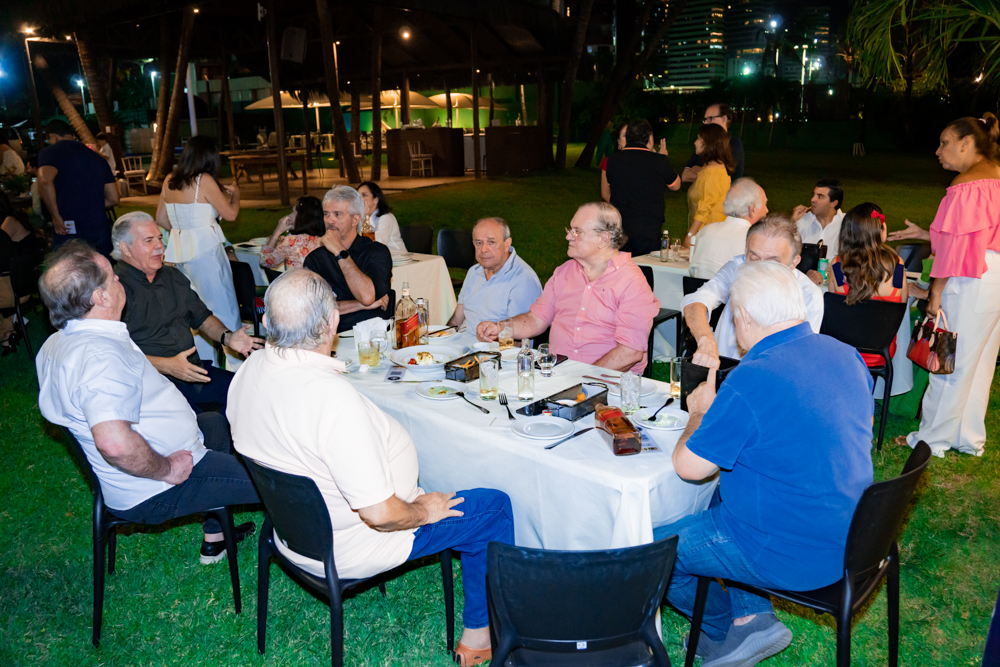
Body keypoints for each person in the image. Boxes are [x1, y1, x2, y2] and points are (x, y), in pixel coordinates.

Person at [228, 269, 515, 667]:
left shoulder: (249, 369)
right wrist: (423, 510)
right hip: (356, 543)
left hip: (293, 531)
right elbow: (380, 514)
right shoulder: (329, 399)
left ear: (267, 320)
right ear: (333, 321)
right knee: (494, 508)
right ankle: (481, 635)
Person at [655, 260, 873, 667]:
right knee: (724, 492)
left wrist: (700, 412)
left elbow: (689, 467)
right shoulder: (846, 354)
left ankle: (721, 630)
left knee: (653, 552)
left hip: (791, 554)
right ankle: (753, 618)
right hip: (856, 534)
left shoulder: (753, 376)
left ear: (743, 317)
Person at [35, 241, 259, 564]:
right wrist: (169, 469)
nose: (119, 280)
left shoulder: (59, 342)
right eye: (112, 277)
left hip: (156, 460)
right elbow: (114, 444)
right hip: (156, 487)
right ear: (100, 297)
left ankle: (216, 537)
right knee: (277, 481)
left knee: (214, 423)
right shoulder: (99, 357)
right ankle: (311, 547)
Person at [887, 113, 1000, 458]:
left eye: (944, 143)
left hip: (969, 276)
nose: (938, 151)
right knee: (979, 361)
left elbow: (956, 247)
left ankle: (930, 440)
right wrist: (927, 234)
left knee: (948, 358)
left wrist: (934, 293)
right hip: (993, 277)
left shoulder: (965, 184)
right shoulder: (995, 178)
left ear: (967, 143)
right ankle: (968, 437)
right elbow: (973, 234)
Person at [476, 202, 659, 374]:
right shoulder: (564, 272)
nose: (568, 236)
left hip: (608, 383)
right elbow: (536, 319)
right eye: (570, 230)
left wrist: (582, 378)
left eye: (577, 231)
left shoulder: (631, 281)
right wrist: (500, 328)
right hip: (558, 374)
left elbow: (630, 352)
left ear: (603, 238)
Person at [112, 212, 263, 413]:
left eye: (160, 238)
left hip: (195, 374)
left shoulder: (172, 276)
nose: (160, 246)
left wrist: (228, 337)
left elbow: (202, 317)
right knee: (209, 423)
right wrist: (167, 366)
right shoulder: (113, 289)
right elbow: (115, 353)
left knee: (253, 393)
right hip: (153, 387)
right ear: (125, 248)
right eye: (149, 240)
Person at [682, 214, 824, 367]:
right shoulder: (738, 267)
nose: (758, 269)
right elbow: (696, 301)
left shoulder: (808, 295)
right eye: (754, 258)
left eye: (772, 261)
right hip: (723, 368)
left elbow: (799, 356)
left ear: (793, 262)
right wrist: (705, 340)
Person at [155, 135, 241, 364]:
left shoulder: (169, 180)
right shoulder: (204, 180)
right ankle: (236, 365)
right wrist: (236, 196)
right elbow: (231, 214)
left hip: (178, 253)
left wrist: (184, 231)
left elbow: (161, 219)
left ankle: (205, 366)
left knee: (194, 311)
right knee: (224, 308)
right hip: (206, 252)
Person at [828, 202, 908, 368]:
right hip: (880, 354)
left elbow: (834, 312)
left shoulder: (837, 265)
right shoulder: (897, 265)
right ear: (880, 229)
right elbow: (901, 306)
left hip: (841, 352)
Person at [304, 185, 392, 333]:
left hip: (371, 334)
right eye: (326, 214)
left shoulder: (376, 252)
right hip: (331, 336)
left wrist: (340, 251)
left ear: (355, 219)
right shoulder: (315, 259)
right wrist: (359, 305)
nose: (330, 220)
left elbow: (366, 296)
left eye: (337, 214)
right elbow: (313, 310)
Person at [37, 119, 119, 258]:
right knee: (102, 266)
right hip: (99, 224)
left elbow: (45, 180)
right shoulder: (97, 157)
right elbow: (114, 198)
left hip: (68, 225)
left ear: (52, 136)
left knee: (70, 267)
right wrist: (90, 205)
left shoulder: (50, 152)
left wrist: (56, 216)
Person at [447, 217, 542, 333]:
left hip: (493, 344)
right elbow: (456, 321)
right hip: (462, 339)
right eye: (479, 243)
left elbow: (518, 338)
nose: (483, 249)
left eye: (491, 242)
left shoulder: (523, 279)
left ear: (507, 244)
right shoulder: (473, 272)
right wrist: (440, 337)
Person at [605, 119, 681, 256]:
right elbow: (675, 185)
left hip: (620, 228)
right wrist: (663, 158)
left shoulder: (613, 161)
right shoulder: (659, 161)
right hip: (649, 230)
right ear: (649, 138)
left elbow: (610, 188)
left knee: (621, 267)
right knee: (646, 267)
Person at [689, 177, 767, 279]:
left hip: (702, 288)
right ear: (752, 209)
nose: (766, 210)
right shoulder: (755, 239)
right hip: (733, 289)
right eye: (765, 204)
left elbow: (693, 271)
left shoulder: (705, 231)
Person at [0, 191, 40, 353]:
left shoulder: (7, 225)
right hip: (24, 280)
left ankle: (8, 329)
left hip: (21, 285)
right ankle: (10, 327)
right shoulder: (12, 218)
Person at [685, 124, 734, 249]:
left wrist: (690, 235)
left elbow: (704, 208)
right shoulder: (712, 169)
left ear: (709, 143)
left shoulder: (713, 173)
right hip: (707, 232)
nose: (695, 142)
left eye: (699, 139)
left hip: (709, 236)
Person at [792, 179, 845, 285]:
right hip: (803, 285)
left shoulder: (847, 224)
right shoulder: (801, 221)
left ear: (833, 203)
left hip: (836, 286)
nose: (813, 200)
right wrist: (792, 222)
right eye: (814, 195)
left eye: (820, 196)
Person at [682, 103, 745, 183]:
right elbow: (685, 176)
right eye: (705, 119)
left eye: (710, 119)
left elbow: (720, 176)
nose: (705, 123)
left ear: (724, 119)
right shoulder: (702, 144)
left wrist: (696, 169)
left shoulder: (734, 144)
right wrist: (708, 173)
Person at [260, 195, 325, 269]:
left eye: (293, 212)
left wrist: (277, 231)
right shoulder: (324, 240)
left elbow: (265, 261)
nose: (289, 215)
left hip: (296, 277)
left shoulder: (291, 242)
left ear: (301, 217)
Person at [357, 181, 407, 254]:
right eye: (358, 196)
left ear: (375, 200)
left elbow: (378, 243)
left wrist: (365, 218)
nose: (360, 199)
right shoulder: (359, 218)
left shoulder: (386, 218)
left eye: (364, 195)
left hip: (396, 258)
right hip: (373, 257)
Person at [600, 123, 629, 202]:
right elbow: (605, 194)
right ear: (618, 141)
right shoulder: (609, 162)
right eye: (625, 135)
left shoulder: (644, 162)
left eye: (631, 135)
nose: (629, 139)